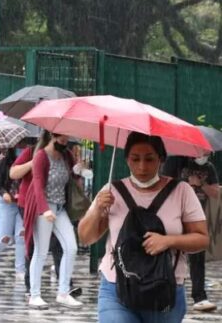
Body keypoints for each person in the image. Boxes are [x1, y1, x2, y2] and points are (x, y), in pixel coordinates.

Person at [79, 132, 209, 323]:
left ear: (161, 159)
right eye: (135, 159)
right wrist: (97, 209)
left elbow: (202, 238)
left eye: (149, 159)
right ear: (126, 159)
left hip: (164, 290)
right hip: (117, 286)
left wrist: (168, 241)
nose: (142, 166)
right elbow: (86, 237)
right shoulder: (111, 191)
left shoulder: (181, 192)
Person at [23, 131, 86, 308]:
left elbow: (73, 178)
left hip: (60, 207)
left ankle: (63, 292)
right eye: (62, 140)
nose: (65, 144)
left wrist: (77, 171)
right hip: (43, 207)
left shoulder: (66, 155)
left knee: (71, 247)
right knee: (41, 251)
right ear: (52, 136)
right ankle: (34, 294)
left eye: (67, 140)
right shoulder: (41, 156)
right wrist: (44, 210)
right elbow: (37, 184)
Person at [161, 154, 219, 312]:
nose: (206, 154)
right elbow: (165, 184)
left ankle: (199, 296)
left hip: (197, 216)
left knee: (198, 257)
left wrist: (201, 184)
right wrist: (187, 184)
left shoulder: (209, 168)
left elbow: (215, 192)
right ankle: (165, 292)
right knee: (170, 255)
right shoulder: (177, 162)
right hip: (175, 213)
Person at [0, 142, 30, 282]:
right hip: (6, 203)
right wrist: (3, 193)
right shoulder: (5, 156)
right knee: (5, 236)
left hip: (23, 203)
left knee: (21, 236)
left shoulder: (31, 155)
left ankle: (20, 270)